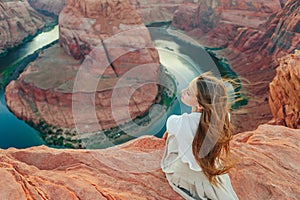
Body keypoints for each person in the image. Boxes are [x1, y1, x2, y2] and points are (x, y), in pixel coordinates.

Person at [161, 72, 238, 200]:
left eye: (189, 93)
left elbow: (170, 128)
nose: (183, 91)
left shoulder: (179, 122)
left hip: (187, 176)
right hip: (210, 170)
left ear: (200, 105)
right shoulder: (224, 117)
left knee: (172, 137)